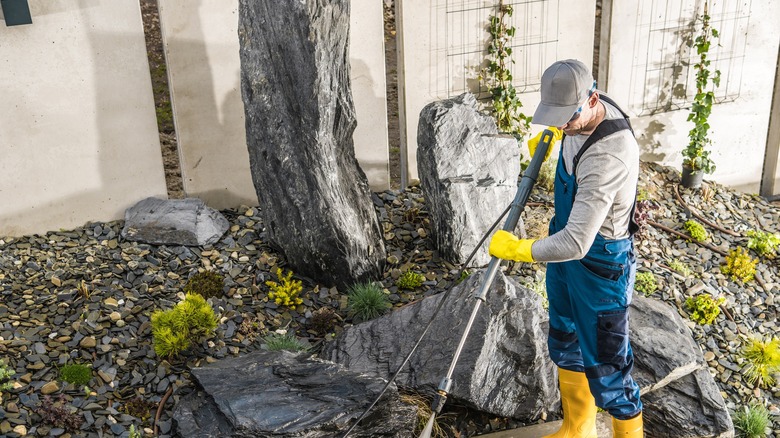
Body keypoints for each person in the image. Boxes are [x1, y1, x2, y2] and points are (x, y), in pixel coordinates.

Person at [488, 59, 643, 437]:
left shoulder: (609, 155)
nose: (560, 126)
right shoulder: (581, 107)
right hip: (566, 245)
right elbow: (569, 233)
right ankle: (577, 429)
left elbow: (576, 241)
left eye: (566, 118)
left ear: (591, 99)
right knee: (565, 338)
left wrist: (520, 250)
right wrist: (560, 137)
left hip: (599, 262)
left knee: (609, 369)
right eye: (553, 117)